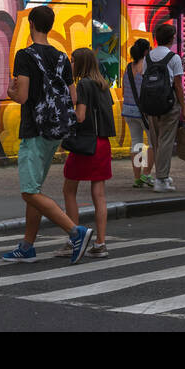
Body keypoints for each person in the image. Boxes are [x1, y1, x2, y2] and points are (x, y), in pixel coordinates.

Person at [3, 5, 93, 264]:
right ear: (51, 25)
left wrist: (10, 91)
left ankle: (76, 232)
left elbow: (22, 96)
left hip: (34, 129)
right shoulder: (62, 56)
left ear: (31, 23)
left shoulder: (25, 56)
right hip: (55, 130)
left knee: (28, 192)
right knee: (35, 189)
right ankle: (27, 246)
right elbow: (73, 97)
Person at [58, 48, 114, 258]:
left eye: (72, 61)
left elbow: (80, 116)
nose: (70, 65)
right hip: (102, 144)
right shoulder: (103, 85)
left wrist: (65, 115)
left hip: (85, 145)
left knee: (69, 189)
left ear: (80, 64)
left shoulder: (83, 84)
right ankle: (100, 243)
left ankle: (74, 238)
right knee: (99, 195)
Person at [146, 23, 185, 193]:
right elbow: (178, 85)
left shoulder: (148, 57)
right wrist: (183, 107)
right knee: (166, 141)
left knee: (156, 141)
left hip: (151, 104)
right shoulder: (174, 58)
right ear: (171, 38)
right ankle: (161, 179)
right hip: (169, 104)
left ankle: (162, 176)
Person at [120, 38, 156, 188]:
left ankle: (137, 178)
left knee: (136, 143)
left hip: (128, 111)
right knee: (154, 143)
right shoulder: (147, 67)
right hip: (144, 112)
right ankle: (146, 174)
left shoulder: (128, 68)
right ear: (146, 51)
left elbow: (123, 91)